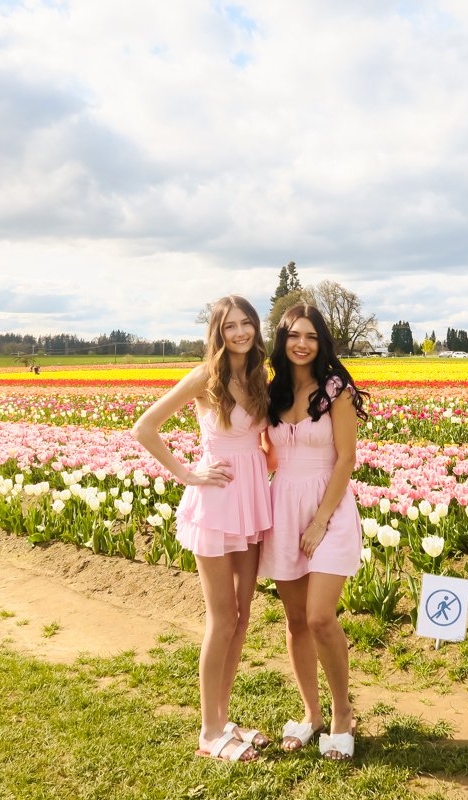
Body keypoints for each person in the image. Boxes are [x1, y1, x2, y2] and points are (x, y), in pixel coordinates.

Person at [131, 295, 273, 763]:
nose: (239, 332)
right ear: (218, 332)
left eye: (246, 323)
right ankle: (209, 730)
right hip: (215, 502)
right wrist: (188, 474)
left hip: (251, 502)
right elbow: (145, 428)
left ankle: (224, 716)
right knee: (222, 617)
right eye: (230, 325)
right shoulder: (203, 378)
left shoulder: (259, 376)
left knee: (242, 615)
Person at [259, 303, 370, 761]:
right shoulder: (272, 394)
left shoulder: (335, 391)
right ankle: (311, 715)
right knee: (296, 621)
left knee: (321, 617)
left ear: (322, 341)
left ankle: (342, 714)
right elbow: (261, 449)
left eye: (310, 335)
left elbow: (346, 459)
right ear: (282, 341)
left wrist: (322, 518)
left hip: (330, 509)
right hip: (284, 507)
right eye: (293, 335)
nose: (301, 343)